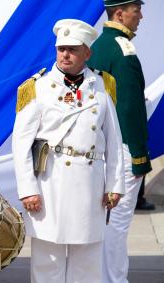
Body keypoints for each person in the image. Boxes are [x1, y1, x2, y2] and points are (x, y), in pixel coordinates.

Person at [12, 19, 125, 283]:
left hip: (90, 185)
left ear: (87, 52)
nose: (65, 54)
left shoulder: (102, 85)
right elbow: (21, 144)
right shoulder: (37, 87)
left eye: (73, 49)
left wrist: (115, 184)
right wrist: (28, 189)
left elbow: (113, 139)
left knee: (87, 265)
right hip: (50, 185)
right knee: (47, 264)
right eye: (61, 48)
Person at [87, 1, 153, 282]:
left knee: (105, 223)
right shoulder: (123, 49)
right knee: (117, 224)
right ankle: (114, 279)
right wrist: (139, 155)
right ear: (120, 13)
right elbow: (130, 107)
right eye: (136, 10)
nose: (140, 16)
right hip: (124, 148)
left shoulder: (100, 45)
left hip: (104, 147)